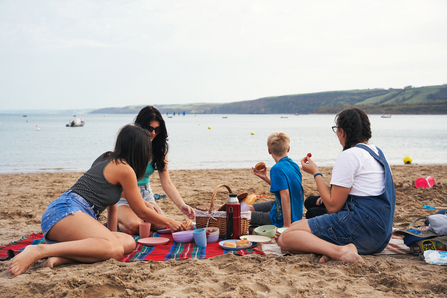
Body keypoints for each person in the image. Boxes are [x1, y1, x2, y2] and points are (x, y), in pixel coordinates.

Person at [9, 124, 186, 276]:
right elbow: (141, 210)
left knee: (128, 242)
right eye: (147, 149)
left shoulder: (109, 159)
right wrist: (170, 222)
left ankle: (62, 257)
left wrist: (110, 235)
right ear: (138, 149)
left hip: (71, 218)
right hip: (65, 212)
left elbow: (112, 206)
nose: (149, 154)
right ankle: (39, 250)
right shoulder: (124, 169)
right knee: (114, 249)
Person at [277, 108, 396, 263]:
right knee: (295, 225)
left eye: (337, 130)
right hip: (381, 235)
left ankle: (340, 252)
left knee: (285, 238)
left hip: (362, 230)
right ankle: (332, 248)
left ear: (342, 132)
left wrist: (316, 173)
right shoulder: (377, 152)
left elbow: (333, 206)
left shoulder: (349, 155)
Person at [117, 106, 195, 235]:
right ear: (140, 127)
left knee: (160, 226)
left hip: (146, 194)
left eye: (157, 129)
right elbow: (119, 186)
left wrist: (182, 205)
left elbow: (167, 183)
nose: (153, 133)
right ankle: (117, 220)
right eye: (149, 128)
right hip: (124, 195)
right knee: (136, 227)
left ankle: (137, 218)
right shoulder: (129, 148)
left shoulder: (159, 151)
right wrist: (145, 206)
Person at [251, 131, 304, 228]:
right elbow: (285, 188)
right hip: (293, 213)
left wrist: (286, 226)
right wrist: (265, 178)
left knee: (244, 215)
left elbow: (285, 196)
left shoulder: (276, 169)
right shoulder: (294, 165)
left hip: (281, 219)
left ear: (269, 151)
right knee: (249, 208)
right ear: (288, 149)